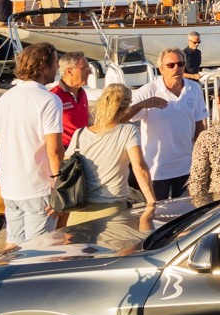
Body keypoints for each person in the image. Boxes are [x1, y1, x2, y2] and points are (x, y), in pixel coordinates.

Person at [0, 43, 64, 245]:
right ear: (43, 67)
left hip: (10, 186)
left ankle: (6, 276)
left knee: (13, 243)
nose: (57, 67)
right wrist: (60, 189)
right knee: (39, 249)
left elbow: (0, 143)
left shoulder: (4, 100)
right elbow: (54, 150)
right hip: (37, 185)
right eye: (55, 62)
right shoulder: (49, 100)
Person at [60, 82, 158, 227]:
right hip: (112, 210)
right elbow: (140, 168)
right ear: (126, 108)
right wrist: (151, 201)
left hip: (78, 212)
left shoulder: (79, 134)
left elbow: (65, 169)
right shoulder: (128, 131)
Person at [132, 46, 210, 200]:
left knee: (187, 213)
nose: (177, 68)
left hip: (186, 166)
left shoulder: (193, 88)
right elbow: (124, 117)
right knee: (158, 216)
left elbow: (200, 124)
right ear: (161, 69)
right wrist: (143, 104)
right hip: (157, 169)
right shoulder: (148, 90)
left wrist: (201, 156)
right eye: (171, 65)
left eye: (180, 64)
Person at [50, 52, 93, 147]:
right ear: (69, 71)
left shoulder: (82, 93)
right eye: (85, 68)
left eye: (89, 68)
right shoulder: (54, 96)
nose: (90, 72)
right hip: (66, 154)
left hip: (85, 149)